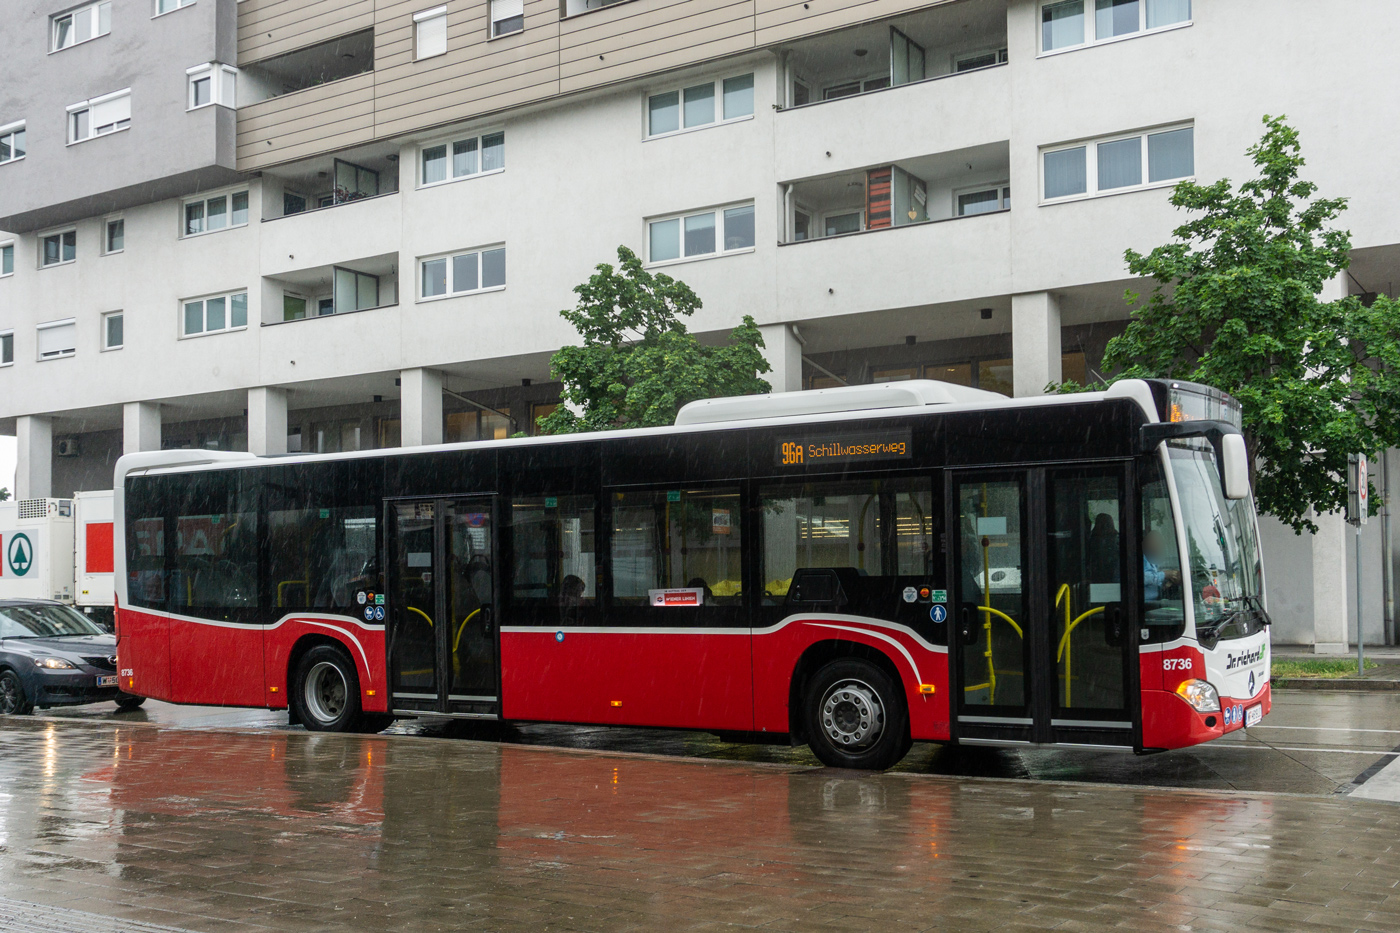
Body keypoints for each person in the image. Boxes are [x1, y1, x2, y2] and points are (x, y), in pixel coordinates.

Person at [1142, 530, 1181, 601]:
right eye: (1154, 542)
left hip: (1155, 601)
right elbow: (1142, 578)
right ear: (1144, 544)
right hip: (1143, 604)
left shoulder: (1153, 560)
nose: (1157, 546)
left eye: (1159, 543)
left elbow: (1154, 583)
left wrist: (1168, 582)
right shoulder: (1139, 559)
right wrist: (1165, 574)